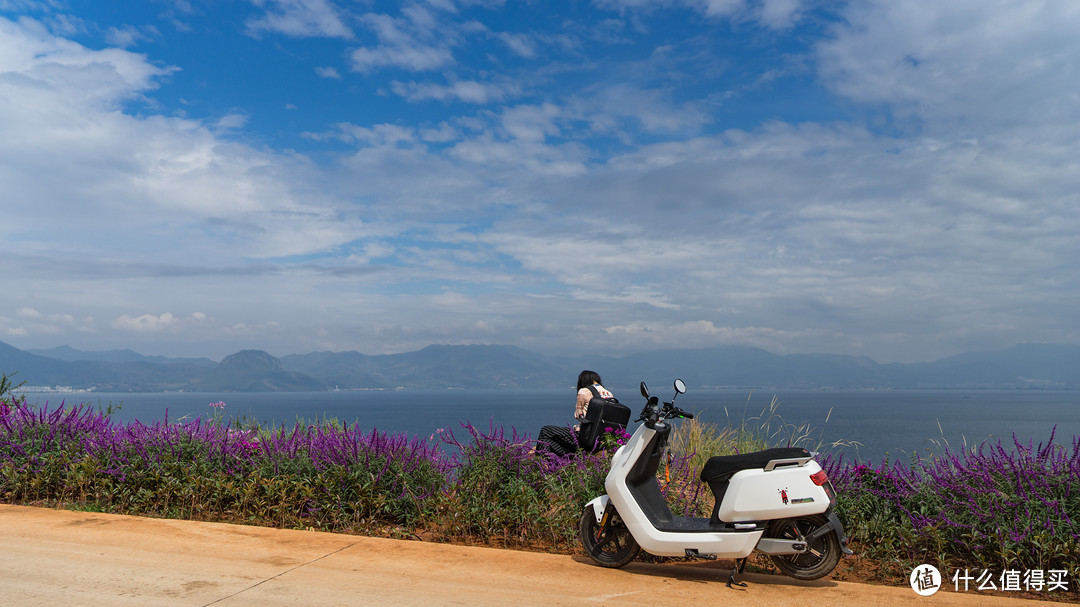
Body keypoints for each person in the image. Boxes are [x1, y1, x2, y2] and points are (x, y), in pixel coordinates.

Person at [536, 370, 615, 457]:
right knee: (548, 443)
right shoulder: (609, 394)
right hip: (600, 439)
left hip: (585, 437)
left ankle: (541, 463)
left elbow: (578, 415)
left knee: (546, 430)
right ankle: (552, 464)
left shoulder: (584, 391)